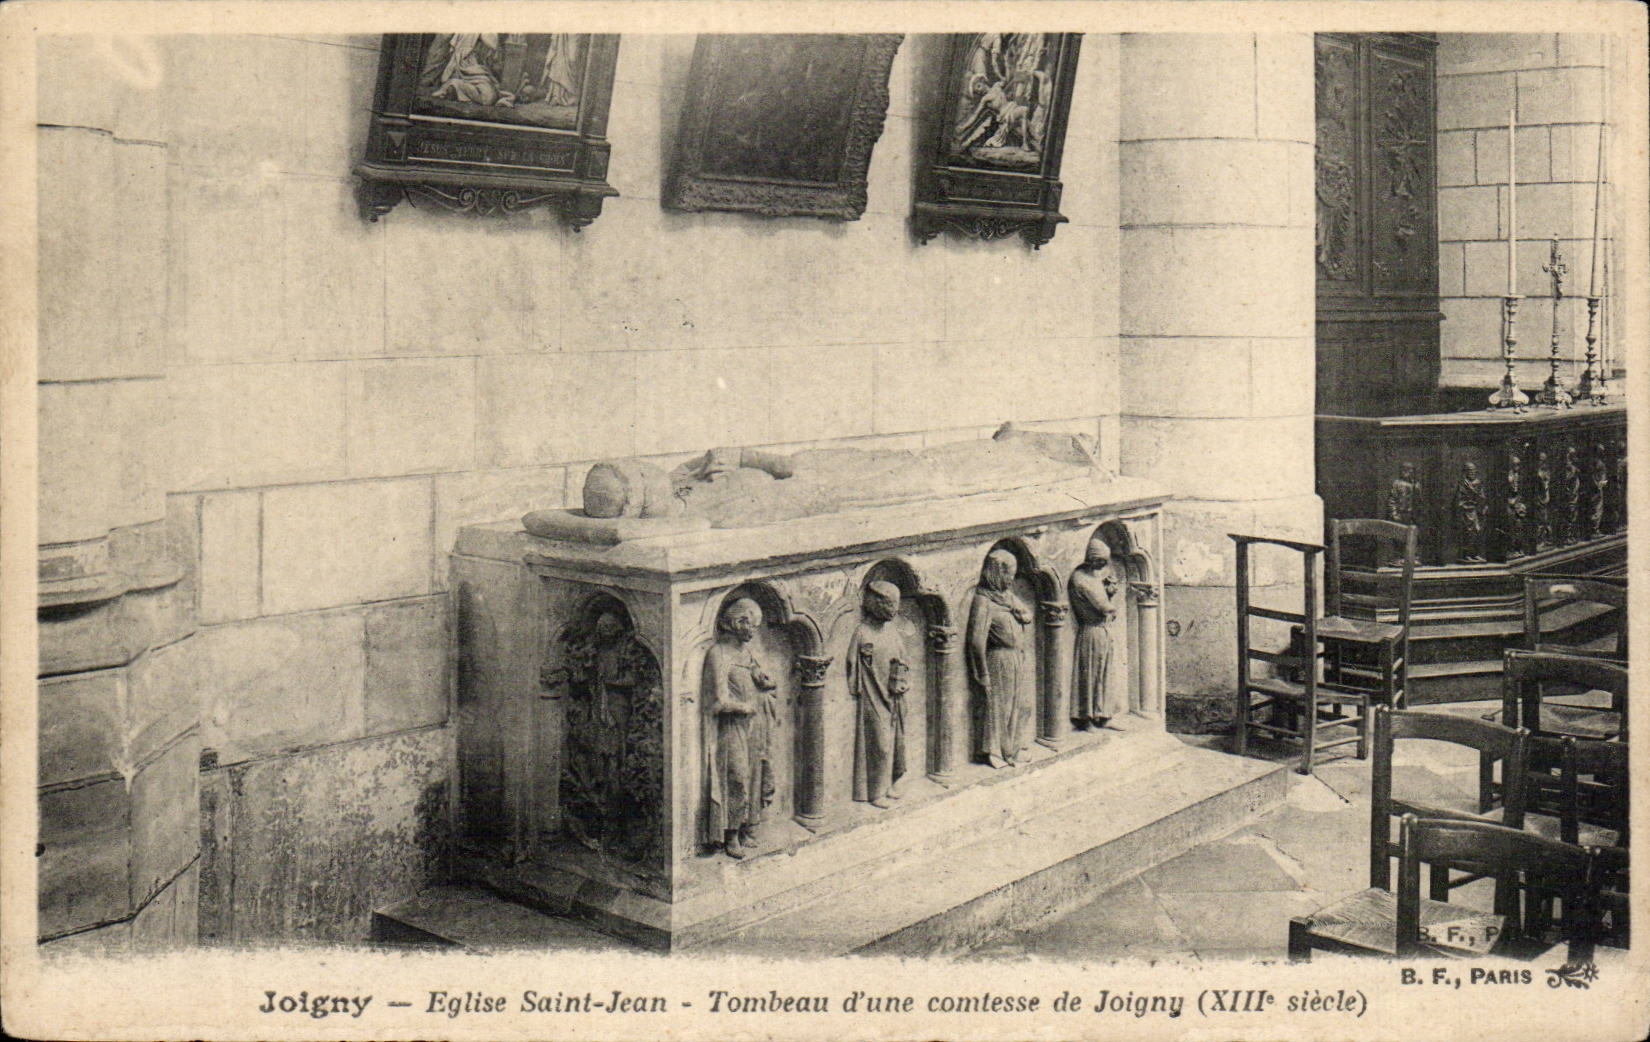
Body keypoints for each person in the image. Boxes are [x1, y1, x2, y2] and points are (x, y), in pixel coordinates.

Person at [701, 598, 777, 859]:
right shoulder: (718, 653)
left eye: (756, 625)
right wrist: (743, 707)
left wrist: (763, 681)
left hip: (754, 726)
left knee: (754, 774)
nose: (753, 630)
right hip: (732, 727)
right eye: (749, 624)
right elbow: (718, 701)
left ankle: (747, 827)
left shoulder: (746, 653)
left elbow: (757, 676)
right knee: (736, 777)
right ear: (734, 624)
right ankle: (729, 833)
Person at [967, 549, 1034, 768]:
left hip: (1016, 658)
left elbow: (1027, 614)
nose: (1011, 579)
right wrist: (983, 673)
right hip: (999, 660)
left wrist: (1020, 612)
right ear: (995, 573)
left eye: (1013, 574)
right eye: (1007, 574)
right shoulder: (983, 600)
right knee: (1000, 708)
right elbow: (976, 640)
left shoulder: (1006, 597)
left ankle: (1013, 749)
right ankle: (995, 752)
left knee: (1021, 705)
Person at [848, 581, 911, 808]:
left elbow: (904, 659)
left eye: (896, 605)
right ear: (875, 604)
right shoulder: (862, 632)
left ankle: (889, 784)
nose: (894, 610)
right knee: (879, 744)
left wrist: (902, 681)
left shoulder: (892, 631)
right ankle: (875, 792)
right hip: (872, 694)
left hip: (894, 695)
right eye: (890, 604)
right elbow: (851, 665)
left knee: (895, 742)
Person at [1068, 535, 1122, 729]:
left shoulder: (1093, 576)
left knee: (1104, 675)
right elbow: (1104, 607)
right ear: (1091, 557)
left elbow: (1105, 604)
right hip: (1091, 633)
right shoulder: (1081, 579)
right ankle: (1087, 718)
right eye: (1099, 561)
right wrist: (1109, 600)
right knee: (1089, 676)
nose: (1102, 565)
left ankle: (1103, 715)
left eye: (1104, 562)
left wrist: (1109, 590)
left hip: (1102, 631)